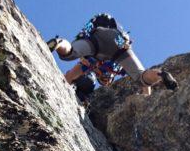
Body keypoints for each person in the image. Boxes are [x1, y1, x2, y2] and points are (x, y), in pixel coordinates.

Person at [47, 14, 178, 103]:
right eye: (104, 80)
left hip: (100, 39)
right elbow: (143, 80)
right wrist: (146, 98)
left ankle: (59, 43)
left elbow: (69, 77)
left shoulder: (89, 63)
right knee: (141, 77)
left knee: (70, 53)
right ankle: (161, 74)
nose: (103, 79)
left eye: (102, 79)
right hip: (118, 41)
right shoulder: (117, 67)